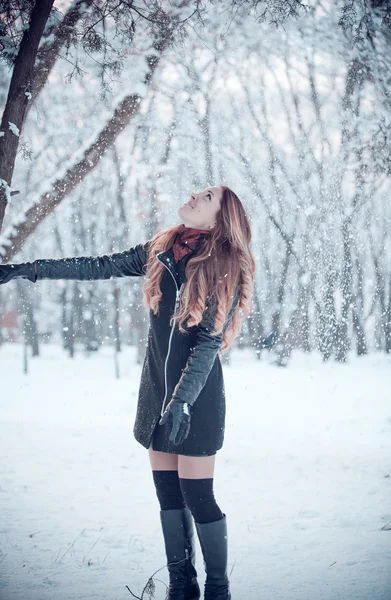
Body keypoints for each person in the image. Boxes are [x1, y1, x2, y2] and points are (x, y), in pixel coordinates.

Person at [0, 185, 255, 600]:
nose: (192, 193)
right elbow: (98, 267)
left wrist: (183, 401)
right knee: (169, 497)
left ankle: (218, 590)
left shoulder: (224, 263)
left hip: (197, 398)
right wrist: (27, 270)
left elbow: (209, 342)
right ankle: (181, 585)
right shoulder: (162, 250)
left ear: (219, 219)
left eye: (206, 196)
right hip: (157, 394)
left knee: (198, 496)